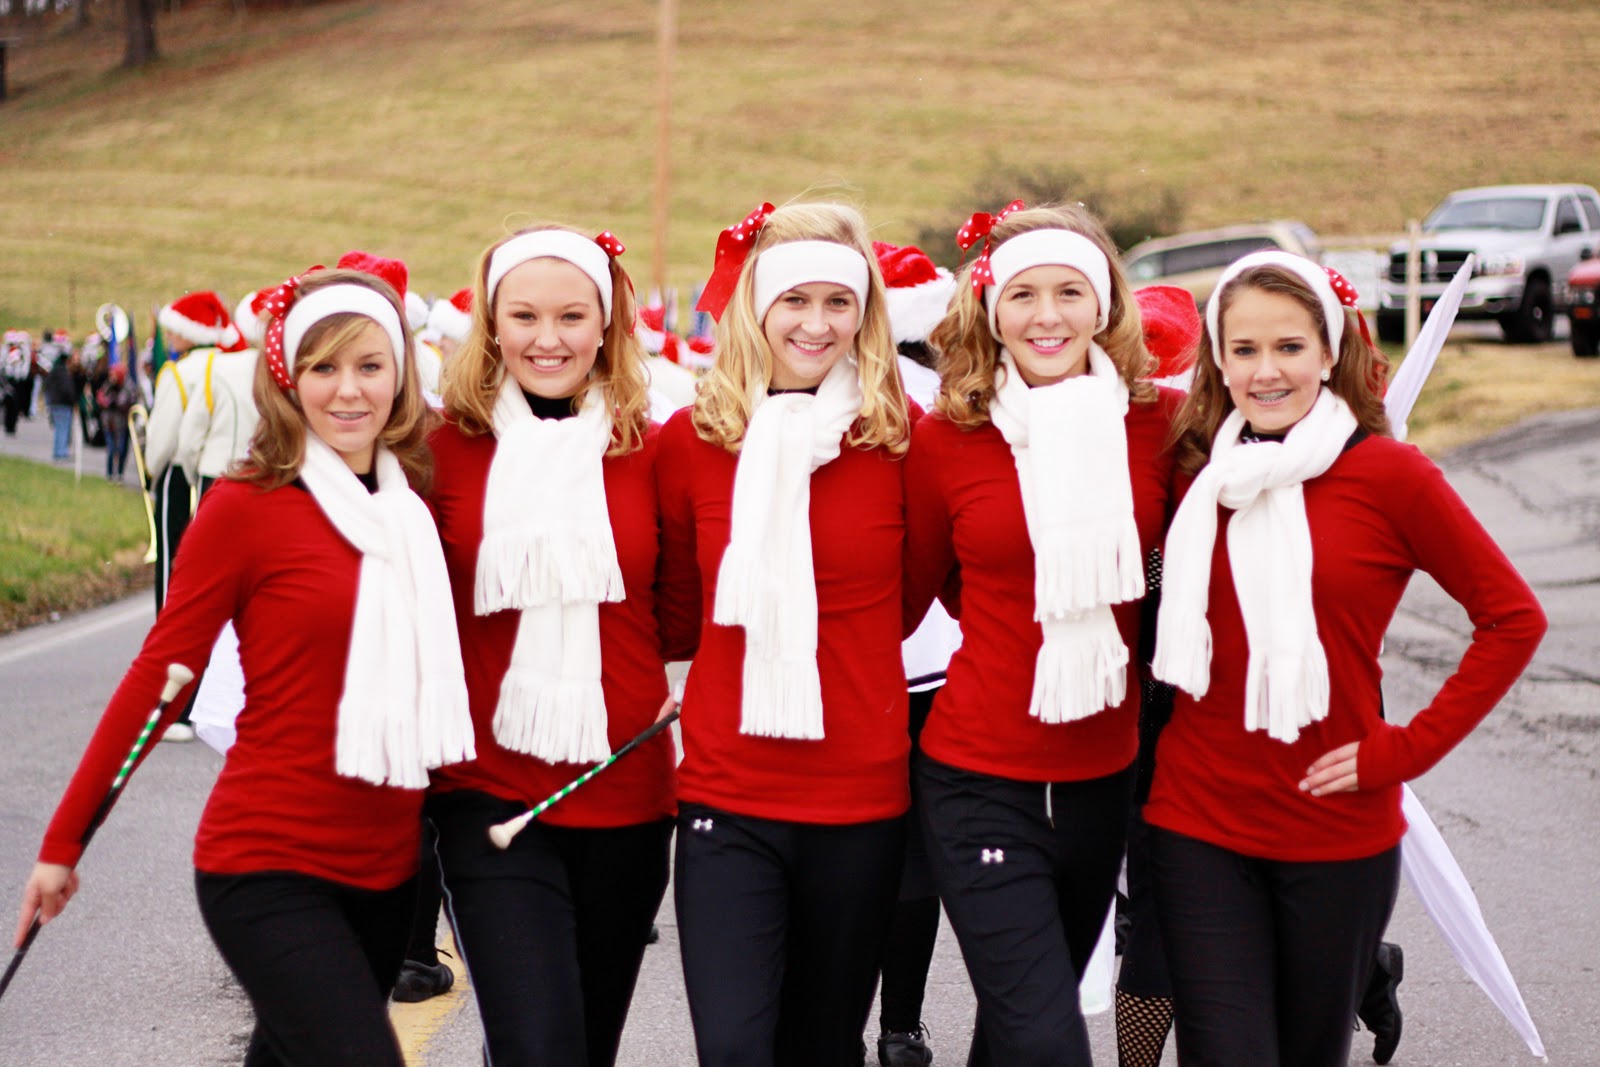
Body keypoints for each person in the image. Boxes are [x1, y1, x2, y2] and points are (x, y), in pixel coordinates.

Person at [14, 265, 475, 1066]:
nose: (347, 391)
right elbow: (159, 679)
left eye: (370, 365)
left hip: (385, 874)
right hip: (266, 865)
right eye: (322, 367)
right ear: (286, 378)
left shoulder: (417, 502)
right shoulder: (246, 505)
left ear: (402, 374)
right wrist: (63, 843)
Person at [1145, 250, 1547, 1067]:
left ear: (1331, 353)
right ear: (1217, 359)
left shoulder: (1388, 474)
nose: (1266, 371)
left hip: (1337, 830)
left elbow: (1512, 617)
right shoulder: (1196, 472)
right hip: (1197, 820)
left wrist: (1404, 750)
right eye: (1244, 349)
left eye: (1289, 347)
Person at [902, 201, 1182, 1067]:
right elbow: (911, 597)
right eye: (1023, 294)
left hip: (1105, 772)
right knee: (1050, 1038)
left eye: (1070, 291)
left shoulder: (1163, 424)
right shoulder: (947, 437)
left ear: (1104, 304)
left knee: (1021, 1024)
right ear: (990, 308)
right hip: (977, 772)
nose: (1047, 315)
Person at [655, 201, 913, 1067]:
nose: (815, 323)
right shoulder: (688, 443)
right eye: (793, 301)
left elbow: (910, 602)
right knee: (732, 1046)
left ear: (865, 315)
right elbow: (677, 609)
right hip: (729, 791)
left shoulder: (905, 442)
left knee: (824, 1045)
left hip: (860, 797)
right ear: (755, 307)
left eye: (838, 303)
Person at [426, 224, 675, 1065]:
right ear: (491, 323)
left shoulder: (650, 447)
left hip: (629, 793)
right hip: (488, 792)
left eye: (572, 316)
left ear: (605, 324)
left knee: (584, 1046)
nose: (548, 338)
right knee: (540, 1046)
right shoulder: (437, 449)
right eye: (524, 315)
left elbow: (676, 610)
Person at [150, 290, 246, 742]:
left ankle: (175, 701)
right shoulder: (244, 364)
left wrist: (156, 473)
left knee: (177, 585)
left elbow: (170, 438)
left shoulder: (181, 371)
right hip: (247, 481)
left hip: (194, 478)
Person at [96, 363, 138, 480]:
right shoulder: (108, 385)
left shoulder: (128, 386)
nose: (112, 377)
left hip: (122, 424)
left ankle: (120, 473)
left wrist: (116, 400)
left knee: (121, 450)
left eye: (114, 375)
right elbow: (101, 397)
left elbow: (127, 402)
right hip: (109, 423)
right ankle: (109, 473)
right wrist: (105, 400)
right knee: (111, 449)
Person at [42, 334, 78, 462]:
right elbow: (67, 389)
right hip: (63, 404)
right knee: (63, 428)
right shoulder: (63, 372)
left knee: (59, 429)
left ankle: (57, 452)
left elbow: (47, 385)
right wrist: (73, 401)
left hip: (54, 402)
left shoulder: (53, 372)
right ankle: (61, 452)